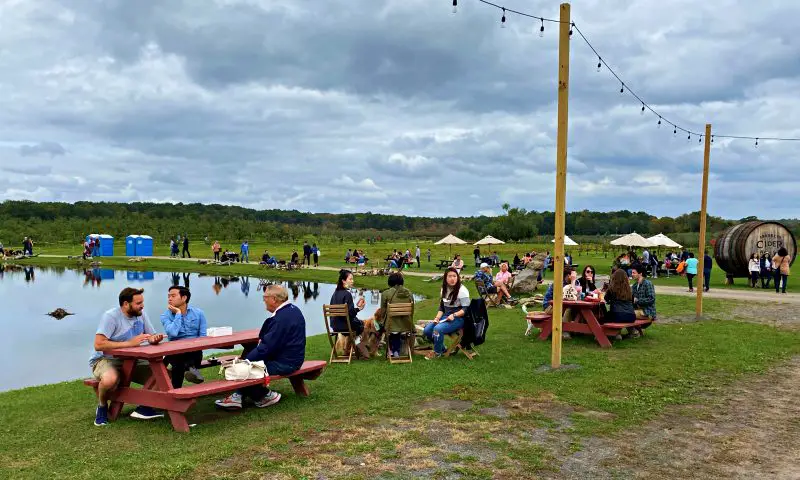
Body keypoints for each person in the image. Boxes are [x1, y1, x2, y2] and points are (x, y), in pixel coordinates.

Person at [215, 285, 306, 410]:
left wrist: (245, 362)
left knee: (243, 370)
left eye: (265, 298)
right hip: (292, 358)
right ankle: (238, 396)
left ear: (274, 299)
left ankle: (264, 396)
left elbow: (266, 348)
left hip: (285, 363)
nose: (264, 301)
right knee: (249, 358)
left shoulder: (281, 319)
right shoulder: (292, 310)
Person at [89, 287, 165, 426]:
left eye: (142, 302)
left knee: (165, 376)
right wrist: (129, 343)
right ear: (125, 304)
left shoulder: (141, 314)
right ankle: (102, 406)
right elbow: (98, 344)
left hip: (133, 359)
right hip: (106, 359)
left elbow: (150, 335)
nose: (142, 305)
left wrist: (154, 339)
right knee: (110, 380)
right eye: (138, 303)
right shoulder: (111, 317)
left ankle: (144, 408)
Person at [160, 286, 207, 388]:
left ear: (184, 298)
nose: (169, 299)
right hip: (175, 352)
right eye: (168, 296)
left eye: (173, 296)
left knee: (192, 355)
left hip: (194, 351)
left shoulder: (199, 313)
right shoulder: (165, 316)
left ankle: (176, 391)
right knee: (179, 361)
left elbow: (203, 337)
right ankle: (192, 370)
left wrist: (195, 345)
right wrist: (178, 314)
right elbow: (173, 333)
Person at [423, 268, 470, 360]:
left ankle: (437, 353)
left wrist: (454, 315)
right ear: (445, 278)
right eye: (449, 276)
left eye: (454, 276)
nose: (452, 279)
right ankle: (442, 348)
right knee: (427, 330)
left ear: (458, 277)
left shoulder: (462, 290)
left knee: (437, 329)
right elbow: (442, 307)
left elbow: (466, 309)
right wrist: (437, 318)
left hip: (459, 319)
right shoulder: (443, 289)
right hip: (446, 317)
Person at [329, 269, 369, 357]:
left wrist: (356, 309)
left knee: (357, 324)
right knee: (361, 326)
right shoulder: (347, 294)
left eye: (352, 279)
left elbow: (347, 313)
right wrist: (359, 308)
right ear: (343, 281)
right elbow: (350, 314)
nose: (352, 281)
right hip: (345, 326)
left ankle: (348, 349)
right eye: (350, 279)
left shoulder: (335, 294)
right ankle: (358, 348)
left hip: (335, 325)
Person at [380, 272, 415, 358]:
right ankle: (395, 350)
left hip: (391, 325)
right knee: (396, 328)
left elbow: (383, 311)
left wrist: (381, 321)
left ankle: (392, 351)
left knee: (391, 328)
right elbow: (412, 310)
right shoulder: (409, 293)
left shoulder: (386, 293)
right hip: (407, 324)